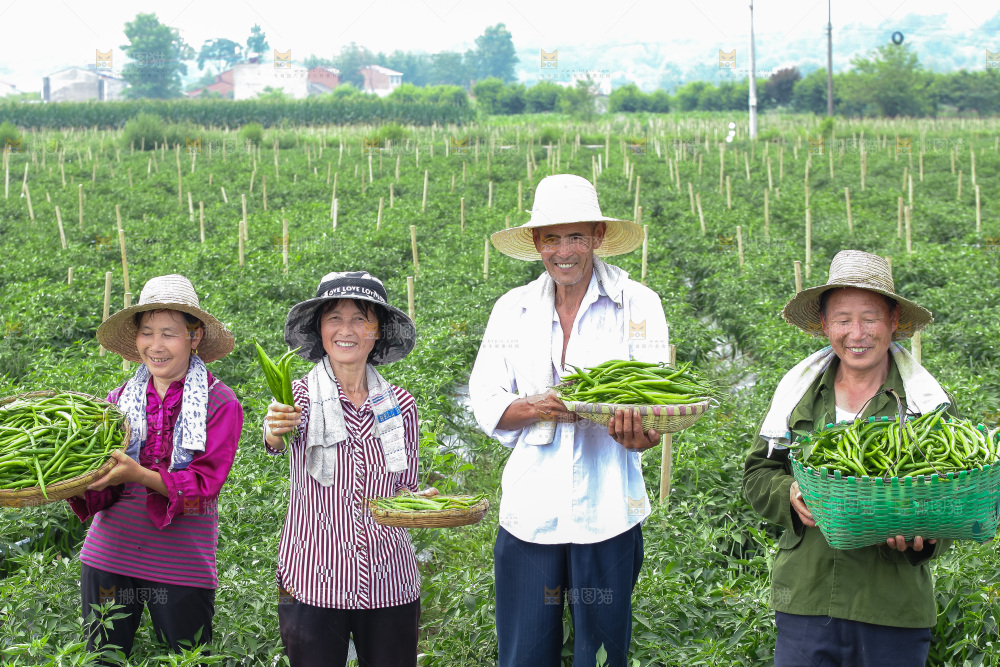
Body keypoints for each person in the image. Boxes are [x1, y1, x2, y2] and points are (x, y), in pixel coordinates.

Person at [468, 174, 670, 666]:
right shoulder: (511, 310)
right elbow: (485, 396)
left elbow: (651, 411)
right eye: (552, 238)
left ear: (598, 238)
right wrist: (537, 407)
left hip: (608, 515)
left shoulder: (637, 305)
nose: (565, 251)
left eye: (576, 236)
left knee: (600, 653)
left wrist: (636, 434)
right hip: (530, 515)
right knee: (524, 652)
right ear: (536, 244)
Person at [743, 250, 957, 666]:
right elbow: (758, 473)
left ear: (894, 321)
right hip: (805, 599)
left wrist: (923, 536)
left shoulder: (926, 404)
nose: (856, 333)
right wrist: (789, 492)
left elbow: (953, 493)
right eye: (842, 319)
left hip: (892, 608)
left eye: (870, 318)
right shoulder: (798, 394)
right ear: (825, 325)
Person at [264, 270, 434, 667]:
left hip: (389, 580)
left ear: (378, 332)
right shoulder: (299, 397)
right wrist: (274, 431)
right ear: (320, 329)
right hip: (312, 581)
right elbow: (275, 436)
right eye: (335, 318)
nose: (347, 329)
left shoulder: (400, 404)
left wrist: (420, 502)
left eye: (361, 319)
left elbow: (405, 486)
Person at [70, 274, 243, 663]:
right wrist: (70, 480)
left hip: (181, 563)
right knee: (103, 657)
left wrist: (139, 474)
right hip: (108, 555)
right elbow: (100, 482)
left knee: (187, 656)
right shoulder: (118, 401)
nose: (156, 345)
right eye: (147, 332)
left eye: (169, 333)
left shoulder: (220, 402)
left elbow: (204, 485)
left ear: (194, 337)